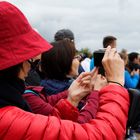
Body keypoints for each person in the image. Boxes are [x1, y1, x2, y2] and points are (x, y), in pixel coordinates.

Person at [0, 2, 129, 140]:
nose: (29, 70)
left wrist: (71, 98)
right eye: (31, 61)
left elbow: (49, 130)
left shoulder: (11, 101)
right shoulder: (8, 117)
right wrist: (115, 83)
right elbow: (98, 135)